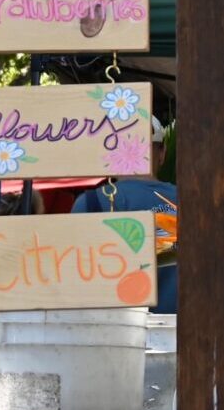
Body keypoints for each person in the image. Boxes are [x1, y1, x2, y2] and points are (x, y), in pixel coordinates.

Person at [68, 116, 177, 312]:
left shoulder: (89, 205)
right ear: (162, 154)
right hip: (183, 335)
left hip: (113, 334)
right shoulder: (195, 204)